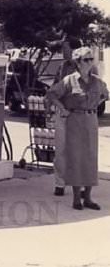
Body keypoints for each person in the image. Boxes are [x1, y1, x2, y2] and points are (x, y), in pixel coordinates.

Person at [45, 46, 109, 210]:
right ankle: (76, 198)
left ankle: (87, 197)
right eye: (86, 59)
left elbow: (105, 94)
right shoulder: (69, 80)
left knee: (90, 158)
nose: (90, 62)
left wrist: (95, 105)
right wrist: (63, 109)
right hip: (75, 119)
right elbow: (52, 94)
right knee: (76, 157)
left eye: (91, 59)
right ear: (78, 62)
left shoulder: (96, 81)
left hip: (91, 120)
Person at [51, 38, 80, 197]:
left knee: (78, 150)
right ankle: (59, 183)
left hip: (79, 114)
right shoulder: (62, 67)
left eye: (66, 48)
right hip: (63, 112)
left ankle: (80, 185)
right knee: (60, 150)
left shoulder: (86, 67)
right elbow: (55, 87)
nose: (63, 52)